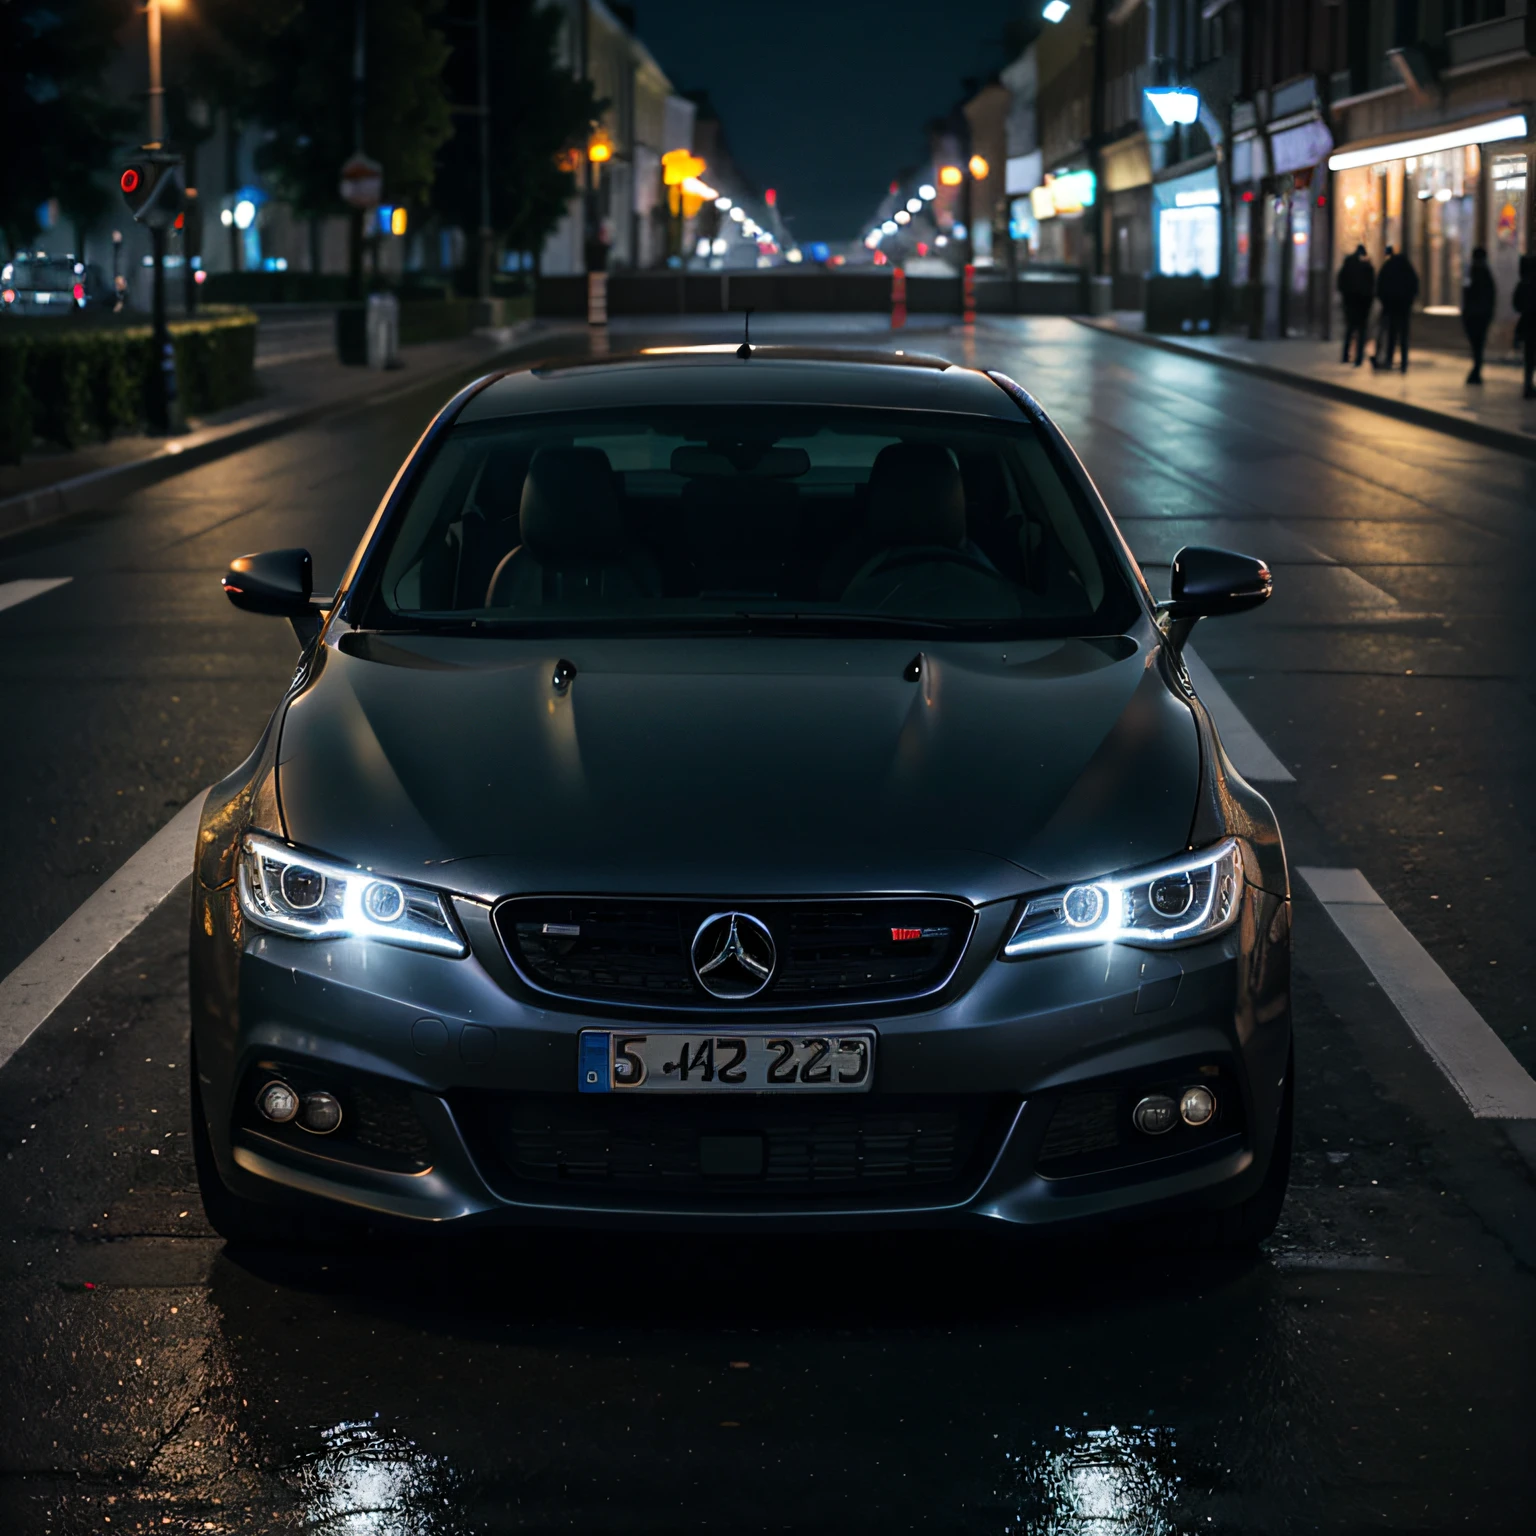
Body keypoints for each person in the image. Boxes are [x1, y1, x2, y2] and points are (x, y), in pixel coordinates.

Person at [1374, 246, 1420, 372]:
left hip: (1390, 307)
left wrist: (1384, 301)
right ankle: (1404, 362)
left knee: (1391, 334)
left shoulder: (1388, 267)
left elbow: (1379, 286)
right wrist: (1409, 301)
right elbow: (1415, 286)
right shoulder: (1407, 268)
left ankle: (1389, 360)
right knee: (1403, 335)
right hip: (1404, 308)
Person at [1460, 246, 1497, 384]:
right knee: (1478, 345)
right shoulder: (1485, 275)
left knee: (1476, 345)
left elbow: (1467, 295)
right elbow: (1491, 296)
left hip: (1474, 316)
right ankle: (1476, 370)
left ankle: (1476, 371)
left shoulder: (1473, 274)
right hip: (1481, 316)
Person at [1337, 244, 1375, 366]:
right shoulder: (1367, 266)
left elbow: (1340, 282)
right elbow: (1372, 286)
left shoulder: (1348, 265)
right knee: (1361, 331)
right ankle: (1358, 358)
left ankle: (1345, 356)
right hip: (1362, 304)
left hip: (1350, 303)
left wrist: (1345, 297)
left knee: (1350, 330)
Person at [1516, 255, 1536, 401]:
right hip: (1531, 323)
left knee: (1529, 357)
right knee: (1530, 357)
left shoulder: (1524, 283)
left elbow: (1517, 303)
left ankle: (1528, 384)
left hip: (1528, 324)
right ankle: (1528, 385)